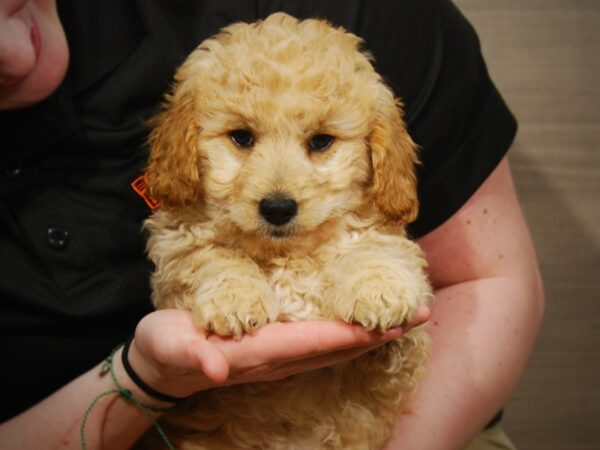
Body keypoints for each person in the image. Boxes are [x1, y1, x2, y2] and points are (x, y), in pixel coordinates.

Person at [0, 0, 544, 449]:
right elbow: (187, 257)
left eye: (320, 143)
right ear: (183, 142)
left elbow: (477, 279)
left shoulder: (380, 26)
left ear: (381, 152)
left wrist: (375, 270)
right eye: (241, 137)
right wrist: (147, 375)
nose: (278, 192)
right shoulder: (196, 229)